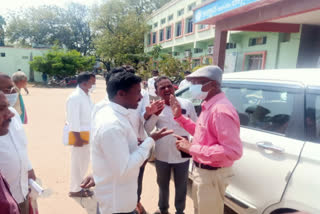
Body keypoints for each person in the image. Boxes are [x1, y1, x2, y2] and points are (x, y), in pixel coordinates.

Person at [91, 71, 173, 214]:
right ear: (121, 94)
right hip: (117, 204)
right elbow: (125, 168)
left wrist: (137, 143)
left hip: (121, 198)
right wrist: (150, 140)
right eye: (137, 93)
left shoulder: (117, 114)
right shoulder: (112, 125)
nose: (141, 97)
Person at [170, 66, 243, 214]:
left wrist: (191, 148)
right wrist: (180, 118)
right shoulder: (209, 105)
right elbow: (203, 133)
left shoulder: (220, 110)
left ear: (213, 85)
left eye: (197, 82)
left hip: (212, 174)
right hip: (203, 172)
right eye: (192, 82)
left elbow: (232, 151)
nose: (193, 87)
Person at [145, 76, 197, 214]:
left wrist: (191, 143)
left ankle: (180, 211)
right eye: (162, 87)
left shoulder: (187, 104)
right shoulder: (156, 107)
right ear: (156, 92)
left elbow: (196, 127)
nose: (167, 89)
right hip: (162, 153)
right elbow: (148, 129)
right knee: (163, 184)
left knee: (182, 185)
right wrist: (155, 114)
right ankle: (163, 209)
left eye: (169, 85)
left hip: (183, 152)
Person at [0, 74, 37, 214]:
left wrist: (29, 168)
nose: (14, 91)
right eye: (8, 88)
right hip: (4, 199)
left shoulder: (13, 114)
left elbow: (21, 145)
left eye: (13, 87)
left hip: (21, 191)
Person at [66, 72, 96, 198]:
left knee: (83, 162)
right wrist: (77, 138)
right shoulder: (75, 97)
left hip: (87, 134)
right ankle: (74, 189)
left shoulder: (86, 95)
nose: (94, 84)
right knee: (77, 163)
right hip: (79, 135)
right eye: (92, 82)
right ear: (84, 83)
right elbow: (73, 120)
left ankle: (81, 186)